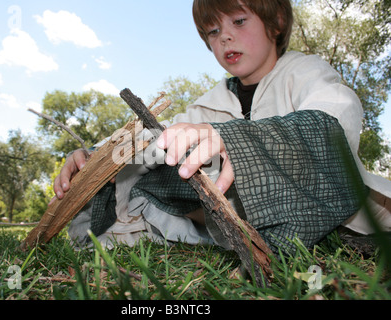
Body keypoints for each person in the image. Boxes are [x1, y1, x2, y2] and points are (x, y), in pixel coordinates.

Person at [52, 0, 391, 254]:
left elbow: (336, 116)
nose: (225, 36)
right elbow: (155, 138)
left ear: (276, 22)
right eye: (213, 31)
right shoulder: (207, 104)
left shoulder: (304, 72)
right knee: (149, 168)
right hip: (230, 217)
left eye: (239, 21)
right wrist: (96, 157)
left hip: (319, 201)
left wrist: (239, 142)